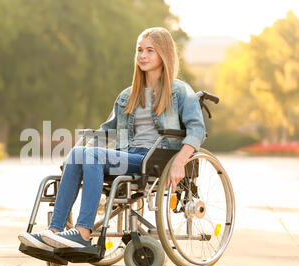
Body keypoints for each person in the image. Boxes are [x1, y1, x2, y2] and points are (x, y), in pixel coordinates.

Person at [18, 27, 206, 251]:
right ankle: (54, 232)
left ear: (164, 54)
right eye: (139, 50)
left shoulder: (180, 92)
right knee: (79, 153)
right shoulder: (128, 95)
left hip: (157, 158)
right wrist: (79, 156)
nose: (142, 56)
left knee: (90, 155)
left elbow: (197, 130)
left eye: (150, 51)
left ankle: (83, 233)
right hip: (129, 155)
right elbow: (108, 131)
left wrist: (180, 160)